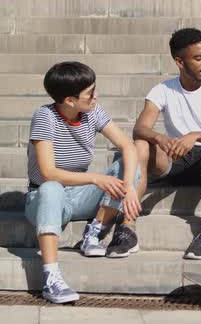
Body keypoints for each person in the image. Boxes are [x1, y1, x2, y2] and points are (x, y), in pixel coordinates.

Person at [25, 61, 141, 303]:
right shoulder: (45, 117)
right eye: (90, 93)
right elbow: (48, 172)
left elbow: (127, 146)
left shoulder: (92, 112)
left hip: (78, 196)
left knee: (128, 165)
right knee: (51, 187)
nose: (95, 97)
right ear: (69, 100)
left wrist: (128, 186)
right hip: (44, 200)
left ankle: (94, 232)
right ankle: (51, 277)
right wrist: (95, 178)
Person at [133, 28, 201, 260]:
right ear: (180, 61)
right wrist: (160, 138)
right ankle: (127, 227)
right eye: (199, 58)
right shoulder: (162, 90)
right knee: (142, 144)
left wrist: (194, 135)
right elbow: (140, 128)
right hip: (174, 158)